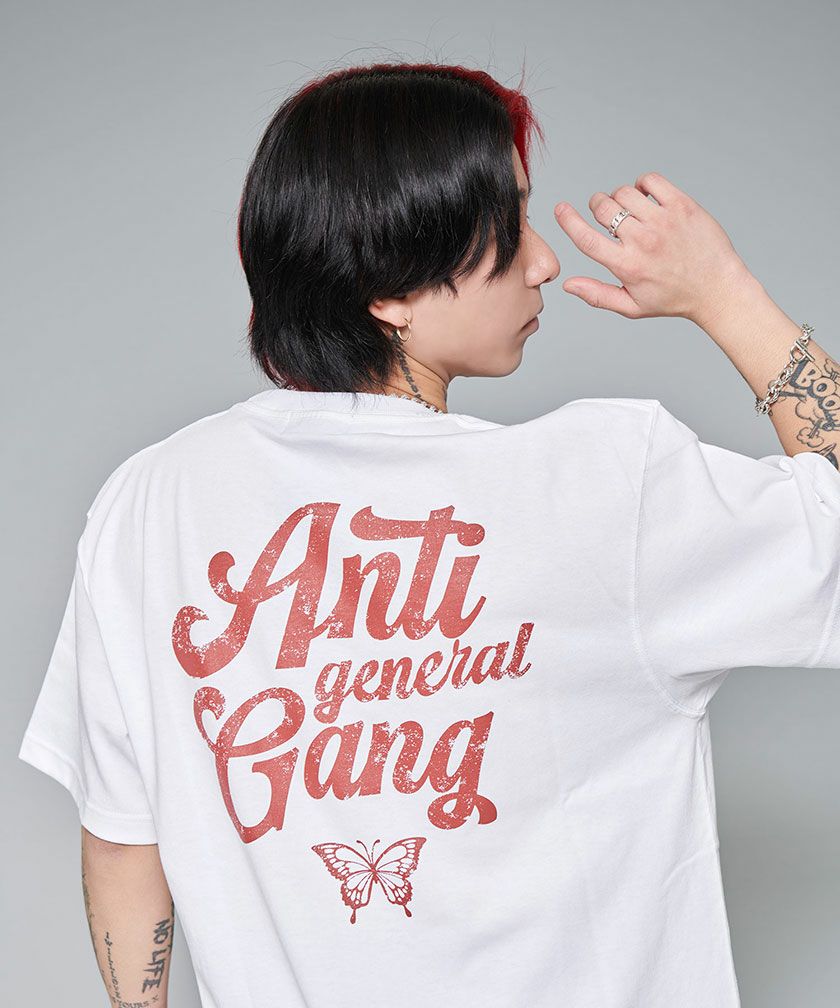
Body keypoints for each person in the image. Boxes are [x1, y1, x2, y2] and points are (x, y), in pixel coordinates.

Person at [17, 61, 839, 1008]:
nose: (543, 262)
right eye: (511, 226)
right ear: (391, 290)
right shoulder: (607, 484)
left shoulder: (150, 503)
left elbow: (125, 840)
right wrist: (723, 291)